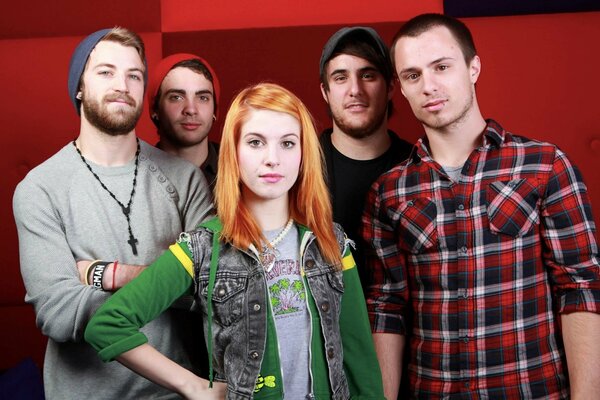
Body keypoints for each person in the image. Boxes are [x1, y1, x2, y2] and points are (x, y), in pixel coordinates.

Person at [84, 82, 385, 400]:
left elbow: (362, 366)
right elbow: (108, 325)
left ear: (303, 154)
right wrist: (192, 385)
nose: (272, 159)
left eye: (287, 143)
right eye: (255, 142)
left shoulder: (330, 241)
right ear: (234, 152)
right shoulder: (203, 248)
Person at [363, 13, 600, 399]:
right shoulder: (389, 192)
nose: (429, 86)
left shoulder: (544, 165)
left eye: (441, 67)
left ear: (473, 67)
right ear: (401, 88)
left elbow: (581, 287)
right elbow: (387, 309)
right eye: (413, 75)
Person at [12, 27, 213, 399]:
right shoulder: (39, 188)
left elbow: (211, 288)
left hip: (177, 394)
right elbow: (59, 311)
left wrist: (107, 274)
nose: (122, 85)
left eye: (134, 75)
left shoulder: (184, 180)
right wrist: (166, 281)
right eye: (106, 72)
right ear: (79, 87)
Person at [319, 26, 412, 287]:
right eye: (340, 78)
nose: (355, 89)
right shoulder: (298, 169)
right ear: (325, 92)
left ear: (391, 86)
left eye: (368, 75)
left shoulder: (419, 167)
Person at [148, 53, 221, 188]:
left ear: (214, 111)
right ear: (155, 110)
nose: (191, 109)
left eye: (203, 98)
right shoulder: (135, 176)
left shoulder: (241, 170)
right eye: (176, 97)